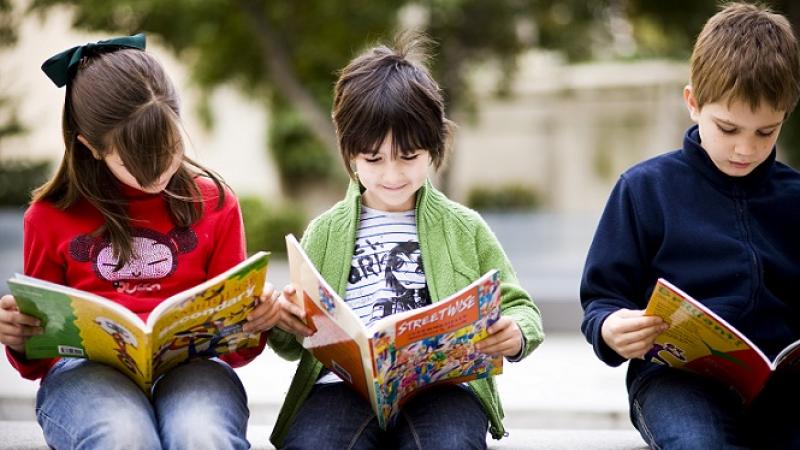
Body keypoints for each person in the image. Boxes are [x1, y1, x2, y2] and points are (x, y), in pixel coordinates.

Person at [0, 34, 281, 450]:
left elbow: (236, 350)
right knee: (123, 438)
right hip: (86, 373)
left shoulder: (214, 202)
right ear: (90, 147)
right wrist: (21, 337)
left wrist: (255, 322)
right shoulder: (49, 218)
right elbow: (39, 361)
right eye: (133, 161)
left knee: (201, 436)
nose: (156, 173)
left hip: (194, 368)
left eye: (167, 149)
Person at [266, 33, 544, 449]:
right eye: (374, 159)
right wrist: (282, 322)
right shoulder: (324, 231)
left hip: (442, 388)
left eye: (409, 157)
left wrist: (516, 333)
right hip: (341, 388)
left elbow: (521, 307)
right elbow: (294, 343)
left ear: (434, 149)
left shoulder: (464, 227)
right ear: (350, 155)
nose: (392, 175)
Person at [580, 3, 800, 449]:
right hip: (675, 381)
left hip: (782, 388)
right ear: (693, 104)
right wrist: (610, 328)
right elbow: (602, 298)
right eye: (728, 128)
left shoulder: (794, 196)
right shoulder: (645, 189)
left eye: (766, 132)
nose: (745, 148)